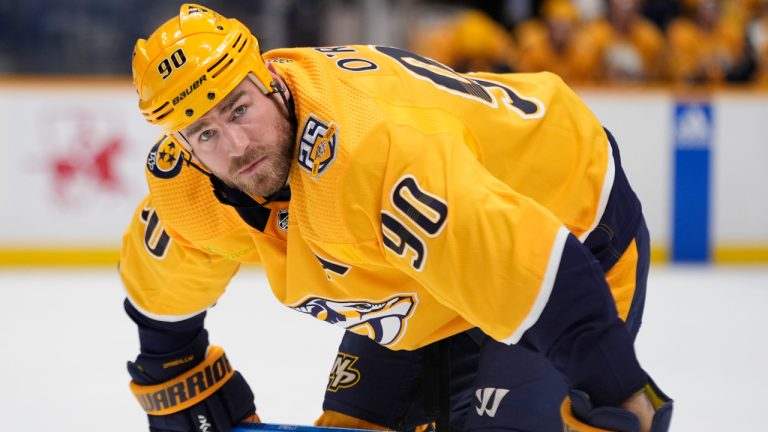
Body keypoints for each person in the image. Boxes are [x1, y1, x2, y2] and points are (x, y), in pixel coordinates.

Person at [122, 4, 673, 432]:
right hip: (425, 267)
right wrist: (172, 368)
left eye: (239, 109)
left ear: (270, 80)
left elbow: (520, 260)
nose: (237, 146)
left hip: (563, 221)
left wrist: (617, 389)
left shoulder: (368, 153)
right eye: (206, 134)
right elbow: (170, 267)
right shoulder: (192, 182)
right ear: (185, 148)